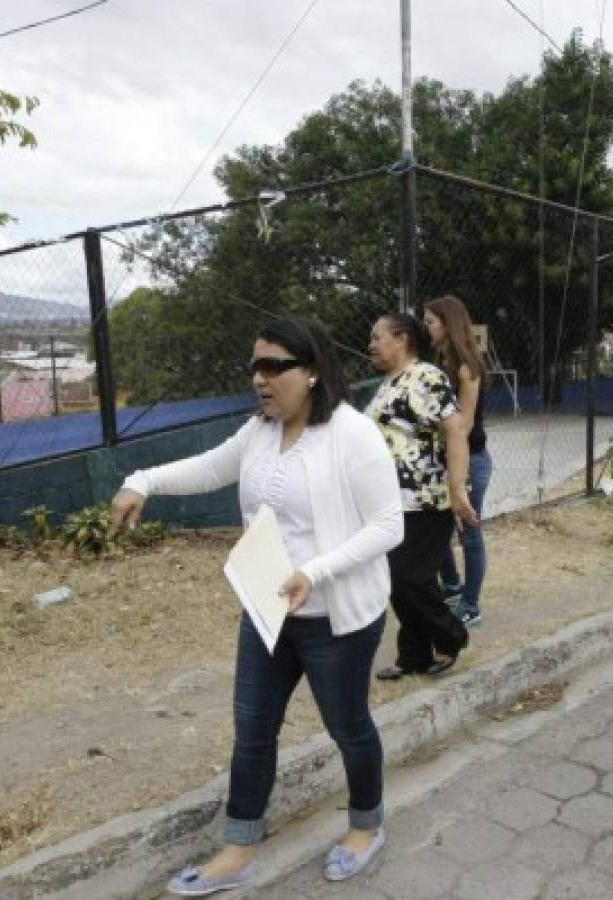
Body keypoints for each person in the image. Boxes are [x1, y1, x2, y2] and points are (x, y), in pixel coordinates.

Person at [108, 318, 402, 894]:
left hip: (336, 618)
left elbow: (389, 524)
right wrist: (141, 479)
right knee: (253, 730)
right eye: (255, 367)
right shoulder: (259, 432)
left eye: (274, 367)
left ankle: (366, 828)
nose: (261, 380)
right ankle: (238, 849)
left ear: (312, 370)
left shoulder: (351, 434)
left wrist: (315, 572)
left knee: (348, 726)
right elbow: (209, 468)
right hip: (269, 612)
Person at [366, 312, 478, 680]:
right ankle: (414, 656)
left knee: (409, 576)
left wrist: (458, 488)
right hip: (390, 500)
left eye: (377, 337)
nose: (371, 345)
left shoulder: (427, 377)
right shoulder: (388, 384)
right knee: (397, 579)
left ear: (402, 340)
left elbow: (456, 431)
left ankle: (451, 635)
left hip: (427, 498)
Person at [424, 295, 491, 629]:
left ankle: (471, 605)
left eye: (431, 322)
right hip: (444, 460)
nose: (427, 328)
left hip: (469, 460)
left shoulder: (468, 368)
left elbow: (462, 425)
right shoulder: (439, 361)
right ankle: (452, 586)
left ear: (448, 325)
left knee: (470, 534)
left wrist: (458, 478)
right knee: (438, 527)